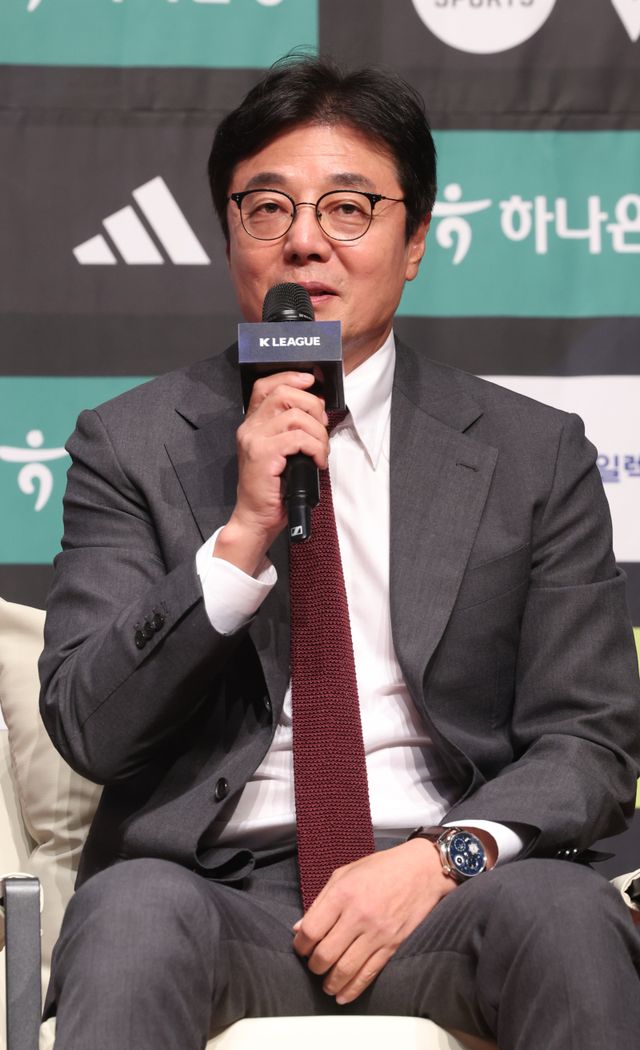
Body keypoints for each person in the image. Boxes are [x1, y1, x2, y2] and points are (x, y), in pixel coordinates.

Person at [39, 55, 640, 1050]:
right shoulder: (130, 444)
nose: (306, 240)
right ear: (228, 235)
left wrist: (441, 858)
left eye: (349, 208)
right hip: (214, 897)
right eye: (267, 207)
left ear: (415, 242)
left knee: (566, 918)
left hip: (449, 894)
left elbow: (591, 744)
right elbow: (89, 730)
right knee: (129, 915)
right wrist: (239, 541)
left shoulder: (532, 453)